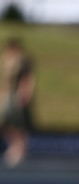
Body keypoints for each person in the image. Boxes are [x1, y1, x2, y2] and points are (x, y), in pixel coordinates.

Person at [0, 38, 34, 167]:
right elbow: (5, 80)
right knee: (5, 124)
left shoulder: (23, 61)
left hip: (18, 96)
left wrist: (24, 93)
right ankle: (15, 147)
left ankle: (19, 151)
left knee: (19, 125)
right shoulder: (7, 61)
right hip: (8, 96)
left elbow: (27, 78)